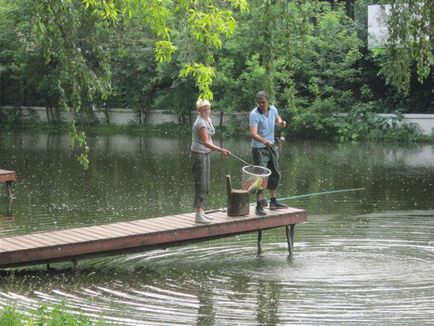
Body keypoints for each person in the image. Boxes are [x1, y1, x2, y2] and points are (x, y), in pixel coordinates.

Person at [191, 99, 230, 224]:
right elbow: (206, 142)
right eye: (204, 109)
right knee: (200, 184)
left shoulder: (208, 121)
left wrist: (218, 150)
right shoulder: (201, 123)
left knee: (206, 183)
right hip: (198, 155)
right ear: (199, 111)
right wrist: (220, 150)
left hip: (205, 153)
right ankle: (198, 214)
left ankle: (201, 212)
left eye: (208, 109)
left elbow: (210, 140)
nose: (207, 111)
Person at [249, 91, 287, 216]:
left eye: (263, 102)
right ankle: (259, 205)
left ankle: (273, 202)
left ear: (268, 101)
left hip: (271, 147)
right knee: (261, 176)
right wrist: (264, 141)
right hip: (259, 149)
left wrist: (281, 122)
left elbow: (277, 119)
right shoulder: (254, 114)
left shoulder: (273, 109)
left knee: (275, 173)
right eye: (259, 102)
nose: (261, 104)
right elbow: (253, 134)